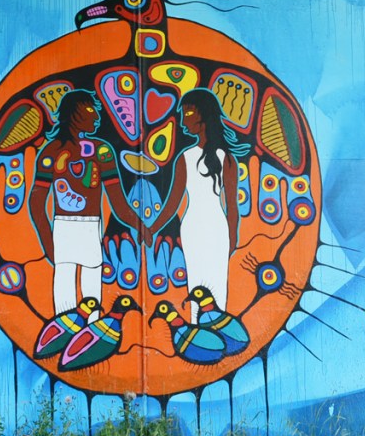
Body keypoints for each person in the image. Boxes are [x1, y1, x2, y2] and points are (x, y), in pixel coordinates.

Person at [29, 90, 140, 314]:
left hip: (90, 226)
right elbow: (36, 201)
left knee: (89, 289)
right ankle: (65, 329)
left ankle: (91, 328)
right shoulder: (51, 152)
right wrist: (48, 242)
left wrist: (140, 225)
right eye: (90, 109)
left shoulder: (101, 151)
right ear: (75, 113)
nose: (96, 117)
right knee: (65, 288)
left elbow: (117, 200)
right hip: (64, 227)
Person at [147, 90, 249, 322]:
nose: (183, 120)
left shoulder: (225, 158)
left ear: (204, 115)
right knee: (196, 286)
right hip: (194, 228)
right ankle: (198, 329)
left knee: (217, 285)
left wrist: (232, 236)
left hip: (214, 227)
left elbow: (232, 206)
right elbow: (173, 202)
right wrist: (152, 229)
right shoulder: (186, 157)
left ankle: (217, 330)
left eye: (188, 113)